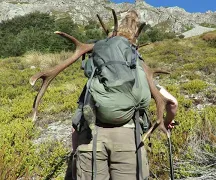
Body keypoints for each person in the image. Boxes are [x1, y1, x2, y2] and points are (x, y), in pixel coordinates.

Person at [65, 10, 178, 180]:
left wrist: (76, 153)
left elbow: (76, 124)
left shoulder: (97, 74)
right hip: (129, 140)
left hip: (91, 139)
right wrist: (167, 121)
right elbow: (172, 103)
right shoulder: (138, 70)